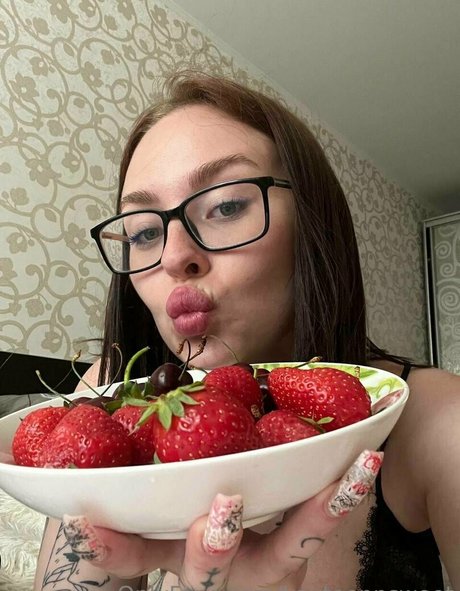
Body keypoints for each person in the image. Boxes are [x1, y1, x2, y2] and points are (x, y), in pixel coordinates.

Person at [34, 72, 459, 591]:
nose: (173, 257)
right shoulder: (108, 400)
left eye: (227, 206)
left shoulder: (441, 420)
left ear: (312, 223)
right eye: (143, 232)